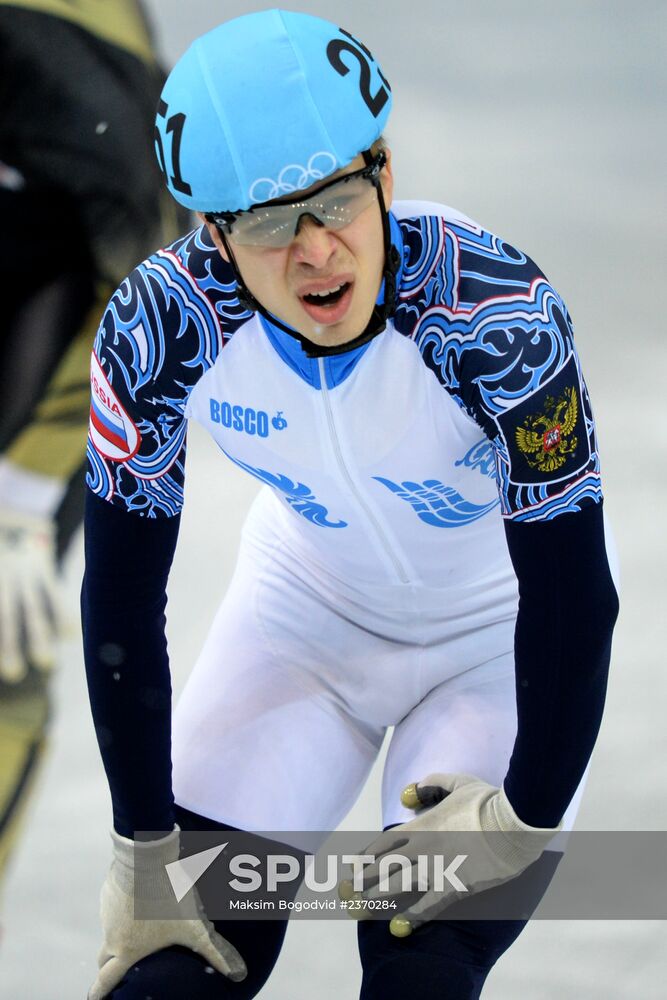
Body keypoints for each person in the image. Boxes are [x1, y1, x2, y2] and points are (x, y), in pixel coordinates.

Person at [81, 10, 619, 999]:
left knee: (418, 967)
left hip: (494, 649)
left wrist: (523, 819)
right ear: (213, 233)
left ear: (383, 167)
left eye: (334, 201)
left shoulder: (492, 311)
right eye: (268, 222)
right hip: (299, 629)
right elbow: (119, 600)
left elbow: (575, 595)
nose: (315, 252)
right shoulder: (158, 330)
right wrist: (141, 845)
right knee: (170, 977)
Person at [0, 0, 186, 895]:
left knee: (3, 637)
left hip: (71, 282)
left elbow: (155, 262)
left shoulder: (55, 66)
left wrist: (25, 491)